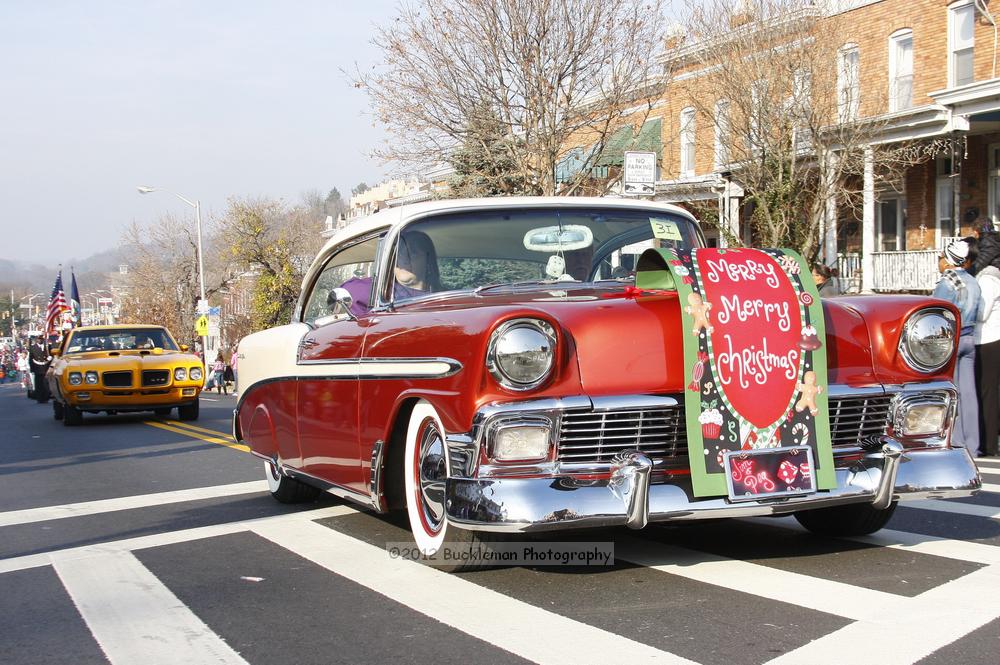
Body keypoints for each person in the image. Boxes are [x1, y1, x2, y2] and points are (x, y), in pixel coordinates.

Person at [933, 239, 982, 456]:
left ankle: (954, 440)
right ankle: (973, 443)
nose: (940, 262)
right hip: (970, 338)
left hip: (951, 340)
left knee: (950, 391)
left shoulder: (947, 281)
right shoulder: (974, 282)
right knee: (969, 393)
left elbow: (935, 312)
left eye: (941, 257)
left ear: (949, 259)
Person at [340, 230, 441, 317]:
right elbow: (350, 291)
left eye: (413, 253)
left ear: (428, 260)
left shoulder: (442, 296)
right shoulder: (382, 290)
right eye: (399, 254)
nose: (404, 259)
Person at [975, 253, 1000, 457]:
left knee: (987, 393)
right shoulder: (993, 278)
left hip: (988, 340)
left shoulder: (987, 280)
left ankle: (989, 444)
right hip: (993, 339)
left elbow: (982, 314)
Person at [28, 333, 51, 404]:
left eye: (41, 339)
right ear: (36, 340)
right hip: (37, 368)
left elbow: (51, 355)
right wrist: (32, 369)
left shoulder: (47, 347)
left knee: (46, 384)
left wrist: (50, 358)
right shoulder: (32, 348)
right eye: (38, 339)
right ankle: (40, 398)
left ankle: (46, 397)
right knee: (39, 384)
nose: (39, 340)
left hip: (46, 367)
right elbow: (31, 359)